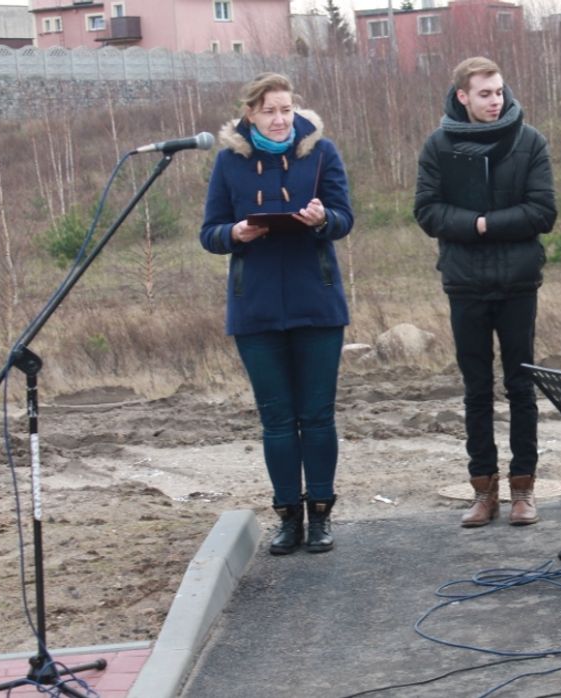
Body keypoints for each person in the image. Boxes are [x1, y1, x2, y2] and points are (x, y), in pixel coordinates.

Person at [200, 72, 354, 555]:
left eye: (287, 109)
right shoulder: (230, 162)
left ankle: (322, 514)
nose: (281, 118)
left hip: (317, 306)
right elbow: (210, 232)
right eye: (270, 110)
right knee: (278, 421)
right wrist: (236, 233)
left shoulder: (321, 153)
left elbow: (344, 218)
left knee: (318, 416)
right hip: (257, 310)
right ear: (251, 114)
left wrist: (322, 220)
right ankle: (287, 516)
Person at [414, 57, 557, 527]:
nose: (495, 101)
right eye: (484, 94)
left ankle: (523, 490)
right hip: (465, 284)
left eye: (498, 92)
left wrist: (481, 224)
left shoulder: (529, 141)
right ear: (462, 96)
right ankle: (483, 491)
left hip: (518, 283)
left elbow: (542, 212)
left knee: (521, 388)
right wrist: (476, 225)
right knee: (477, 391)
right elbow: (427, 211)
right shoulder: (439, 145)